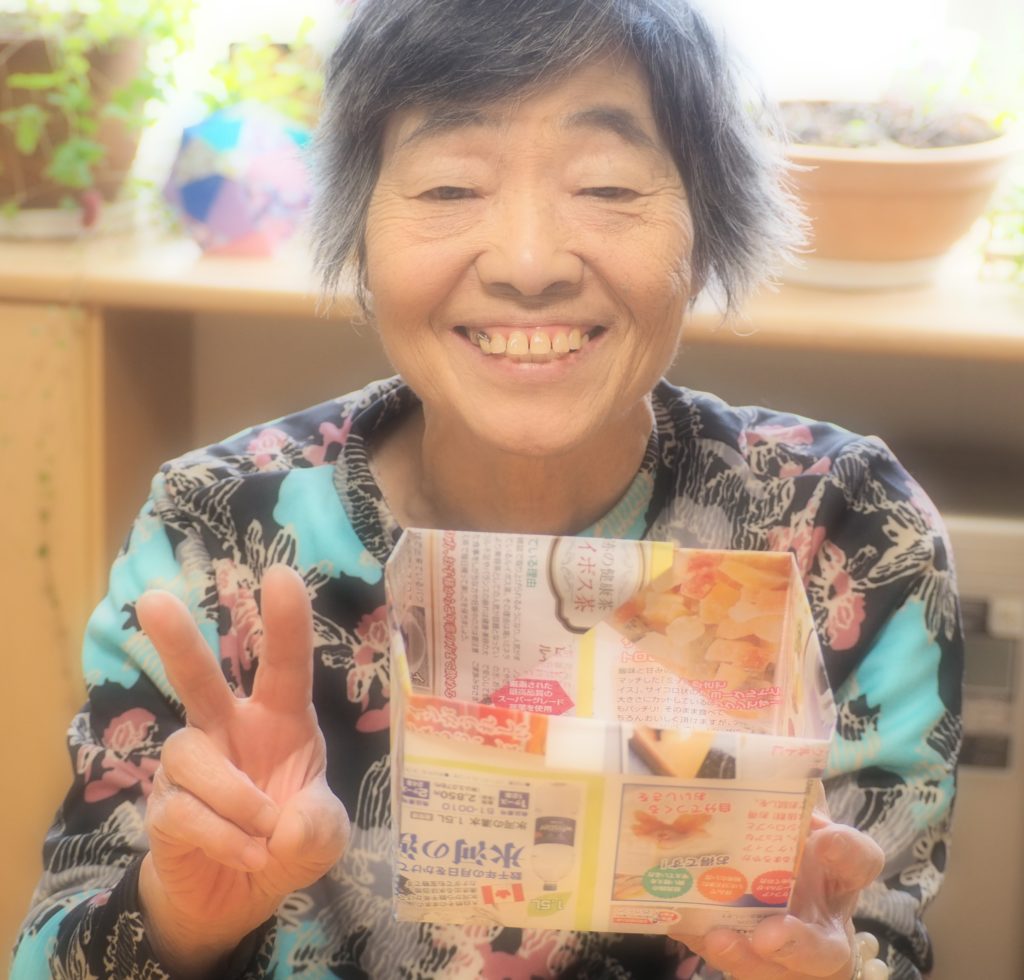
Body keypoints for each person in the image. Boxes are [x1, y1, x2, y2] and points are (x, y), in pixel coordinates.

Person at [11, 0, 962, 978]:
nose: (527, 263)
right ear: (359, 233)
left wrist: (829, 969)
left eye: (606, 185)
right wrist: (178, 916)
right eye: (450, 186)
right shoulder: (215, 528)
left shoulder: (838, 527)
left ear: (708, 228)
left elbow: (880, 934)